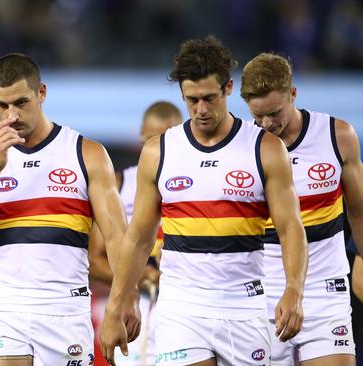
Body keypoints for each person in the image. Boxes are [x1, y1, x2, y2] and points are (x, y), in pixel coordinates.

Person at [100, 36, 308, 366]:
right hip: (182, 306)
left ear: (228, 88)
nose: (201, 109)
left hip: (243, 304)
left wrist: (294, 291)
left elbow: (290, 228)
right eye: (191, 100)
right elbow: (138, 238)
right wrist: (117, 305)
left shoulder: (265, 149)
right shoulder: (159, 151)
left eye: (209, 98)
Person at [0, 53, 132, 366]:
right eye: (2, 105)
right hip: (2, 308)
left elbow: (118, 240)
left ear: (41, 93)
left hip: (65, 310)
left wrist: (124, 303)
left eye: (21, 102)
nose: (12, 115)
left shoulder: (86, 154)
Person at [241, 52, 362, 365]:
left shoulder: (338, 136)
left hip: (325, 290)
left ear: (293, 93)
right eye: (258, 116)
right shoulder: (242, 147)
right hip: (261, 294)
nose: (267, 124)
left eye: (275, 112)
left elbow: (359, 211)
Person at [88, 101, 182, 366]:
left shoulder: (196, 184)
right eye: (153, 139)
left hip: (184, 303)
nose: (159, 148)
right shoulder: (119, 185)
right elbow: (95, 262)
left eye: (168, 140)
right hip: (134, 304)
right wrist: (140, 277)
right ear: (142, 136)